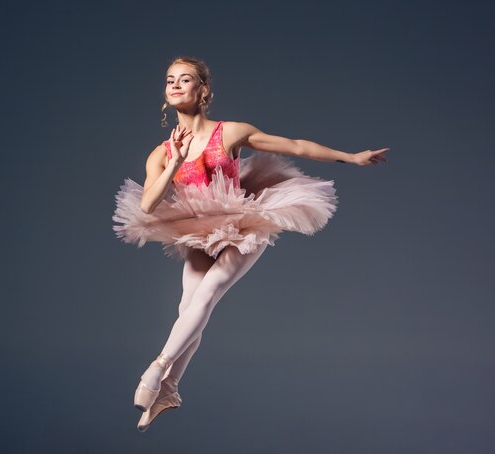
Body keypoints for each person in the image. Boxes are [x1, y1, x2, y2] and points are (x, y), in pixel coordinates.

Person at [112, 56, 389, 432]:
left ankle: (157, 370)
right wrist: (175, 164)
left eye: (185, 79)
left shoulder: (229, 132)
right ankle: (171, 390)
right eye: (169, 80)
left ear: (203, 90)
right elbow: (147, 204)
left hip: (244, 222)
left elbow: (295, 146)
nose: (175, 85)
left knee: (208, 294)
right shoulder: (162, 153)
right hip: (197, 227)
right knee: (187, 307)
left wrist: (351, 157)